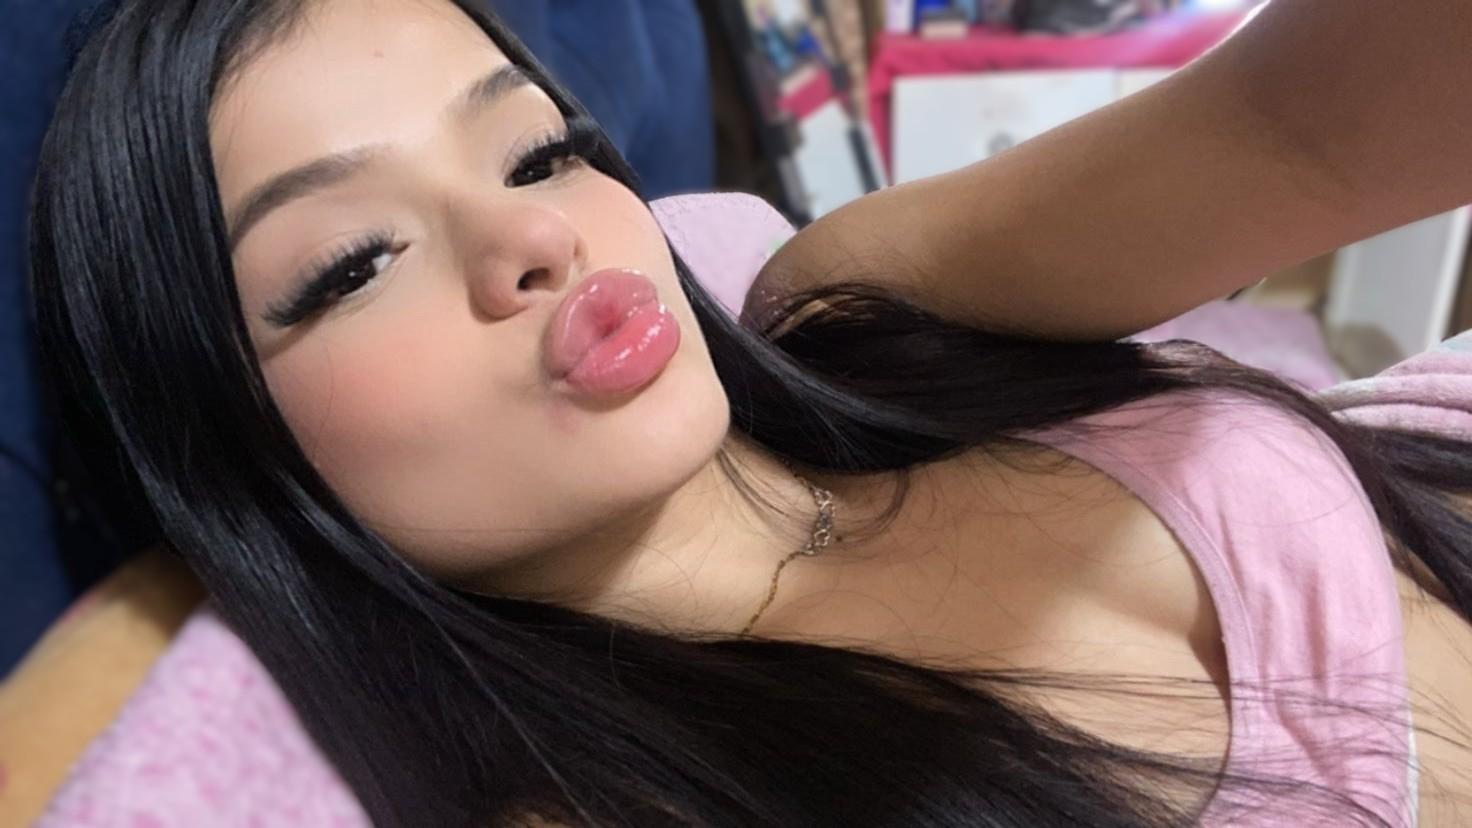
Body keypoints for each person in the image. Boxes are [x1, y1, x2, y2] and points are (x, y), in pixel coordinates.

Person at [25, 1, 1470, 826]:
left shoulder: (854, 304)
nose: (536, 237)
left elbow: (1295, 132)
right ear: (240, 457)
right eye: (353, 262)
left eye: (538, 151)